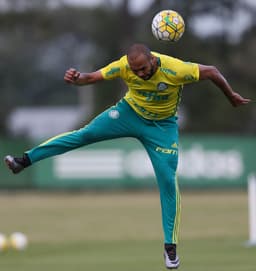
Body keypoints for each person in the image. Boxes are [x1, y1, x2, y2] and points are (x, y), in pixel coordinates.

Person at [4, 43, 251, 269]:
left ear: (153, 60)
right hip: (128, 114)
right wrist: (78, 79)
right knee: (83, 135)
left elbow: (212, 71)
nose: (140, 74)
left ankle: (170, 248)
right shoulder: (125, 65)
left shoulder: (176, 69)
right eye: (135, 70)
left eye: (143, 69)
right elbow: (94, 76)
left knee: (167, 180)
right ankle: (23, 161)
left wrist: (231, 97)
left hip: (162, 128)